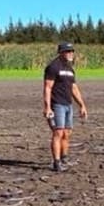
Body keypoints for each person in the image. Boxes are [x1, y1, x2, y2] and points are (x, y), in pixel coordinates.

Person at [42, 42, 88, 171]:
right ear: (61, 53)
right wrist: (47, 107)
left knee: (67, 133)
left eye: (72, 51)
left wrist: (82, 105)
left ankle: (64, 158)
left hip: (68, 105)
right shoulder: (53, 67)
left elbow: (74, 88)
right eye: (67, 51)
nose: (70, 54)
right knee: (58, 132)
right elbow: (47, 87)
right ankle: (56, 163)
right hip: (57, 105)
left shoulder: (69, 69)